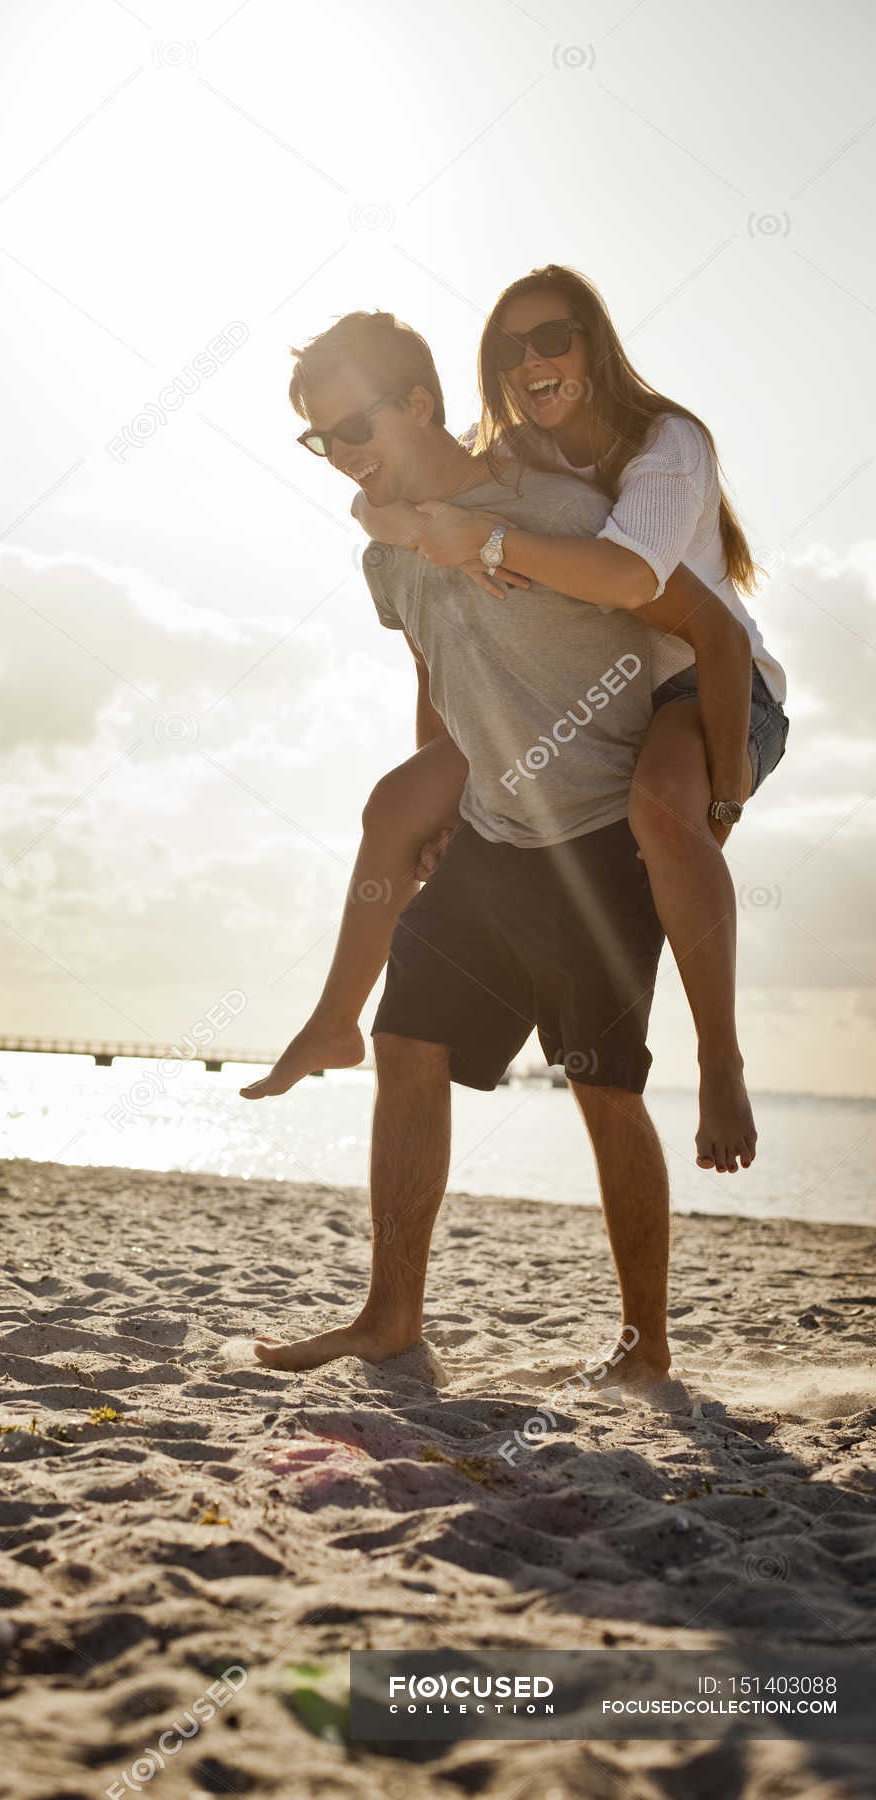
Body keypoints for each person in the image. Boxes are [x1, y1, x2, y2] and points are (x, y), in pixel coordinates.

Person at [252, 310, 757, 1386]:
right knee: (408, 1048)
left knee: (601, 1087)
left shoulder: (560, 514)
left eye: (349, 427)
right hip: (489, 833)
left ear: (419, 405)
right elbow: (438, 671)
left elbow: (703, 622)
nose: (338, 457)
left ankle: (642, 1347)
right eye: (318, 440)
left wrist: (720, 793)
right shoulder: (383, 559)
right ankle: (391, 1317)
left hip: (598, 839)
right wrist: (441, 792)